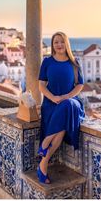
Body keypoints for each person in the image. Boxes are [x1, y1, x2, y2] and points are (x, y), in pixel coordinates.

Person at [37, 31, 85, 184]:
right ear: (52, 45)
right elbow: (42, 86)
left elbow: (80, 85)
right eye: (56, 42)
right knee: (61, 130)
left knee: (67, 105)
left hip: (71, 101)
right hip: (51, 103)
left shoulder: (74, 63)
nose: (59, 45)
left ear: (66, 44)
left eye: (61, 42)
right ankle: (43, 164)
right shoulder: (47, 62)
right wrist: (53, 98)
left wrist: (65, 97)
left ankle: (45, 143)